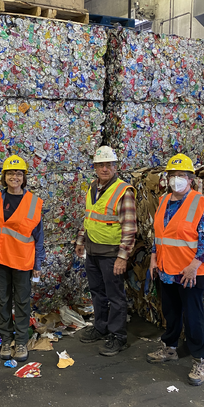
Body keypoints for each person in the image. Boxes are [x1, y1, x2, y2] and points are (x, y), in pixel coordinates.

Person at [147, 153, 204, 386]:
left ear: (191, 179)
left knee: (193, 316)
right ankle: (170, 348)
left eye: (181, 176)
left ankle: (199, 360)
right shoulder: (164, 201)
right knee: (171, 311)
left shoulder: (199, 203)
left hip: (191, 272)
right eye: (172, 175)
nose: (176, 179)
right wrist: (154, 258)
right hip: (167, 269)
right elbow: (160, 234)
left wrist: (195, 265)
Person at [75, 146, 137, 356]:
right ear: (95, 167)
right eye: (101, 165)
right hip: (92, 251)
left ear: (115, 166)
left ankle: (118, 336)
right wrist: (81, 240)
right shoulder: (93, 188)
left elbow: (129, 229)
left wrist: (122, 258)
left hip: (111, 254)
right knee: (97, 292)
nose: (104, 169)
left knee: (115, 296)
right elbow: (89, 216)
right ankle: (100, 327)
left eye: (108, 165)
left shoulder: (123, 191)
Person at [0, 155, 45, 363]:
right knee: (2, 301)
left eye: (18, 173)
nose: (14, 177)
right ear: (4, 177)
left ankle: (20, 341)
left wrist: (37, 264)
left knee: (21, 302)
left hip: (21, 260)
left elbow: (39, 236)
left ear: (24, 177)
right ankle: (5, 338)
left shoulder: (34, 203)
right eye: (10, 173)